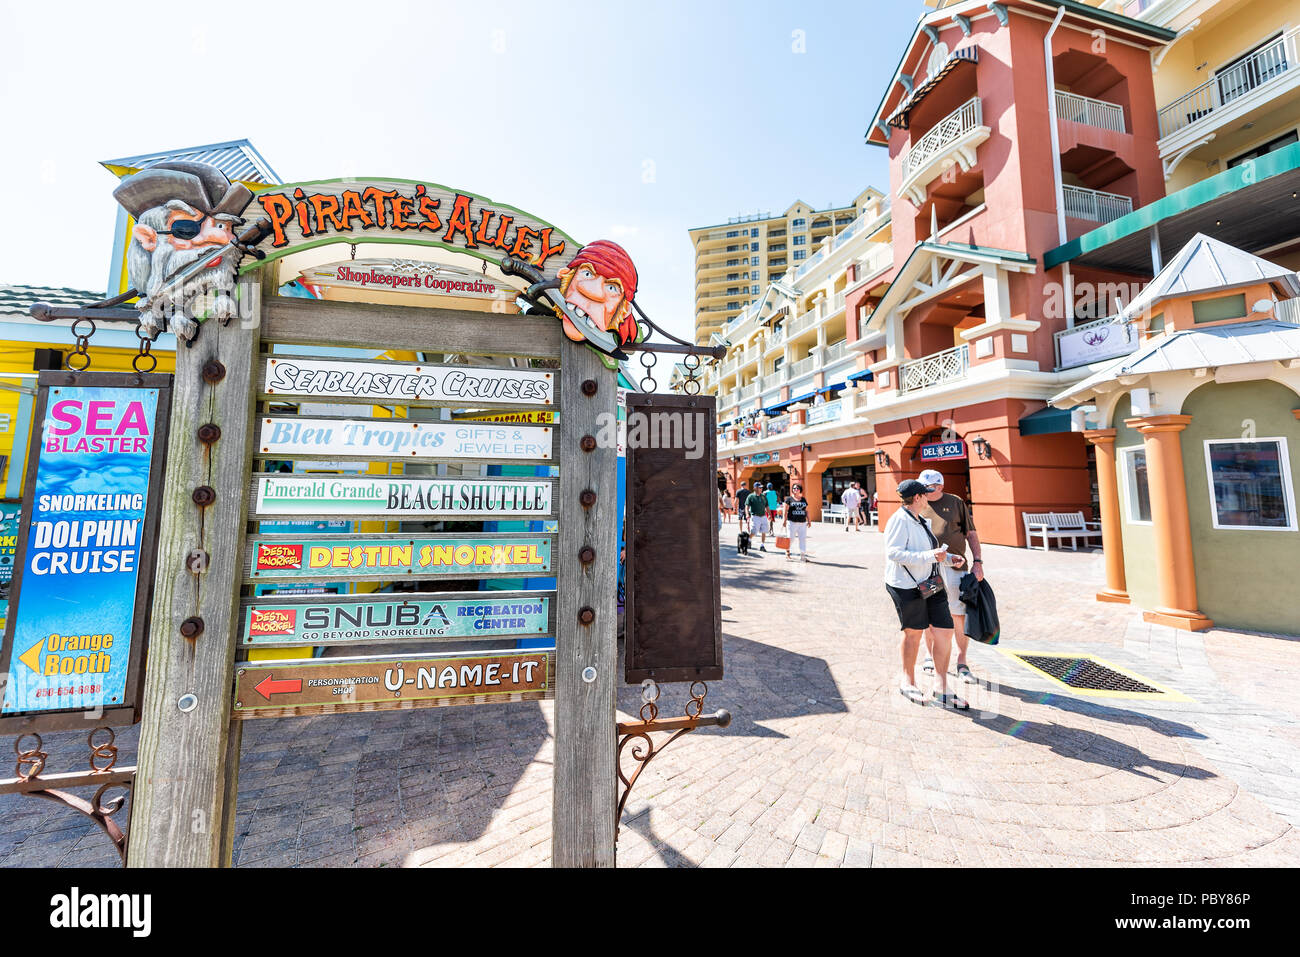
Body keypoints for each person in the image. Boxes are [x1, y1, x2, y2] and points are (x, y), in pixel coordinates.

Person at [884, 479, 969, 709]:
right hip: (906, 586)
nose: (929, 496)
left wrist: (950, 559)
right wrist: (931, 556)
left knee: (944, 630)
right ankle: (908, 681)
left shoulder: (921, 520)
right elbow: (894, 553)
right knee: (913, 632)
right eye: (926, 493)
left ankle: (942, 687)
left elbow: (929, 551)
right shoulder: (899, 520)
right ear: (918, 498)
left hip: (931, 583)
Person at [917, 468, 984, 686]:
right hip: (929, 571)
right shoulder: (917, 503)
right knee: (929, 614)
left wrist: (978, 563)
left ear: (940, 487)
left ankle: (962, 661)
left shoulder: (955, 503)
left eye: (930, 488)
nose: (926, 491)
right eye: (923, 488)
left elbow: (971, 534)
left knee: (958, 615)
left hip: (955, 570)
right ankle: (929, 654)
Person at [780, 483, 810, 561]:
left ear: (800, 490)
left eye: (797, 488)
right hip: (792, 522)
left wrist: (809, 520)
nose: (795, 490)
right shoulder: (789, 499)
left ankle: (803, 556)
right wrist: (784, 520)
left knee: (802, 539)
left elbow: (806, 510)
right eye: (794, 488)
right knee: (790, 538)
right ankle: (787, 553)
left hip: (802, 523)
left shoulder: (803, 499)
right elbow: (785, 511)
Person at [746, 483, 771, 552]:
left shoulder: (763, 496)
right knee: (754, 531)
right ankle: (749, 540)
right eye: (759, 488)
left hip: (763, 516)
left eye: (761, 488)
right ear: (755, 488)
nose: (761, 489)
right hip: (755, 516)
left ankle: (762, 546)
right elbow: (747, 506)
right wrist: (747, 514)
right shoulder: (750, 496)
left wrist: (769, 514)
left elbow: (767, 506)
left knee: (764, 531)